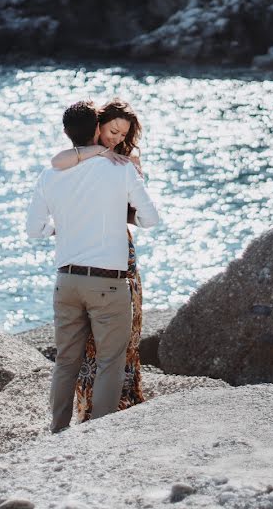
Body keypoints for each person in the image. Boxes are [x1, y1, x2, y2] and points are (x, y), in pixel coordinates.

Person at [26, 100, 159, 433]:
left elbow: (34, 231)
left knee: (65, 363)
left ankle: (57, 431)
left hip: (67, 281)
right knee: (109, 364)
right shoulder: (121, 167)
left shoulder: (50, 173)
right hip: (108, 284)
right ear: (98, 128)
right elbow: (150, 218)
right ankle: (95, 438)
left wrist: (63, 226)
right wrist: (119, 215)